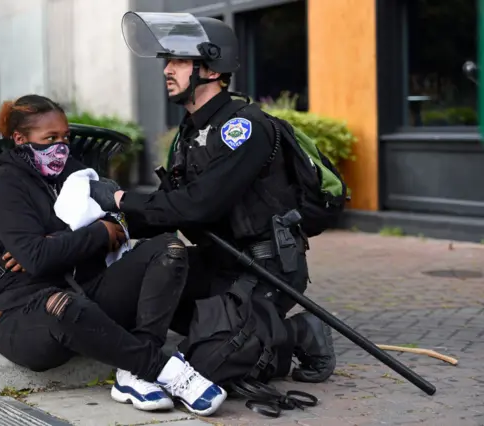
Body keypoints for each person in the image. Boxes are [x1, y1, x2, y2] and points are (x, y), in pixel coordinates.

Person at [88, 12, 336, 384]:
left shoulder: (243, 128)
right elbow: (168, 206)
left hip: (263, 269)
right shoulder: (191, 133)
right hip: (219, 263)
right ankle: (226, 330)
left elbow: (198, 205)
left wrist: (123, 198)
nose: (167, 71)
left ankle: (299, 334)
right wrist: (104, 221)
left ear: (212, 69)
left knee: (205, 368)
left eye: (179, 61)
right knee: (149, 280)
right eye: (167, 62)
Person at [0, 94, 227, 416]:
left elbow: (120, 216)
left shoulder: (73, 173)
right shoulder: (4, 184)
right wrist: (97, 233)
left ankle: (133, 373)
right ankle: (164, 370)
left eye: (65, 137)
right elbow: (37, 258)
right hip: (25, 316)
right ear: (20, 139)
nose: (61, 146)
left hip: (85, 291)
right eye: (49, 138)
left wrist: (104, 227)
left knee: (168, 248)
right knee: (63, 304)